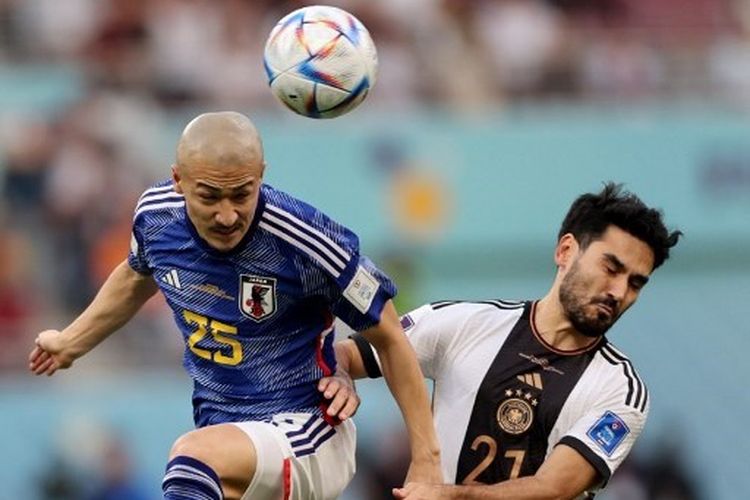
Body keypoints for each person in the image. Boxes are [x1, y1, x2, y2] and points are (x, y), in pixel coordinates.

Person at [29, 111, 441, 500]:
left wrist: (426, 461)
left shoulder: (307, 240)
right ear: (178, 180)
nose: (227, 215)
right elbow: (137, 275)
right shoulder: (156, 218)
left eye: (241, 194)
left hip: (307, 429)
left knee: (191, 460)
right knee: (200, 459)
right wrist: (71, 343)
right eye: (209, 197)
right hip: (227, 432)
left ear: (261, 176)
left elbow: (388, 334)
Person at [336, 182, 682, 499]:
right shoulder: (468, 323)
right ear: (565, 251)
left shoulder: (620, 390)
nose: (619, 292)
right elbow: (347, 354)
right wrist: (340, 376)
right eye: (611, 268)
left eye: (636, 283)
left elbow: (555, 488)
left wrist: (449, 495)